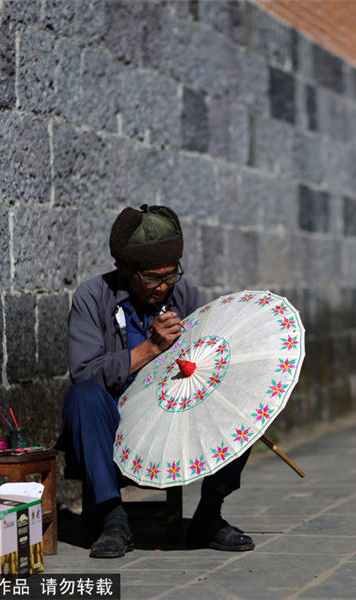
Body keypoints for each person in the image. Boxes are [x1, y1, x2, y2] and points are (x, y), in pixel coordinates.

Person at [57, 204, 254, 558]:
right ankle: (113, 518)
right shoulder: (92, 297)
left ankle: (209, 514)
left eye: (170, 275)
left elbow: (207, 356)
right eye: (152, 278)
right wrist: (152, 347)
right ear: (124, 270)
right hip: (115, 425)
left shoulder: (184, 295)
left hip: (174, 418)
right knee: (82, 396)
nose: (163, 286)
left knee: (242, 399)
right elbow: (85, 372)